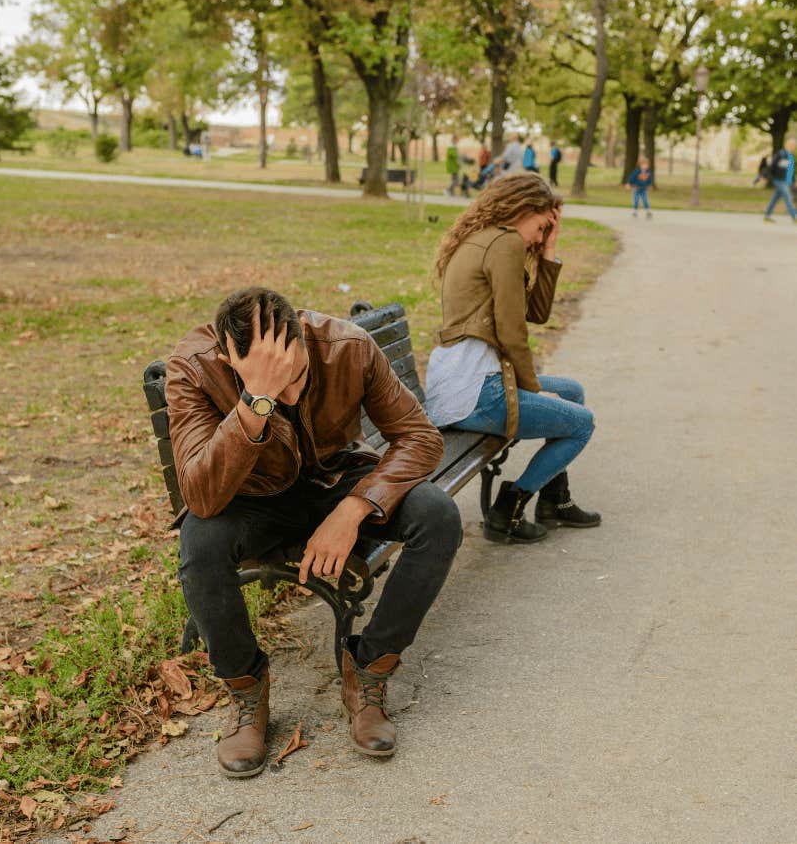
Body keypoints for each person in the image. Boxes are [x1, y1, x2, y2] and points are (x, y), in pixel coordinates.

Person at [166, 288, 461, 777]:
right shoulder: (195, 366)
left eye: (296, 375)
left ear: (302, 336)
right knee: (200, 542)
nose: (290, 396)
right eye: (270, 386)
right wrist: (254, 402)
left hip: (336, 479)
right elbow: (200, 496)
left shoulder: (346, 346)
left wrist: (353, 509)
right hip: (252, 495)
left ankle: (367, 673)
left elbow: (420, 438)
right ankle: (247, 696)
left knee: (438, 513)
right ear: (227, 359)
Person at [425, 175, 600, 545]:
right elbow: (511, 332)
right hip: (474, 390)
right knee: (582, 424)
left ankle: (555, 500)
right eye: (540, 227)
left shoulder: (488, 237)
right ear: (522, 209)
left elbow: (534, 314)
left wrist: (549, 250)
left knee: (572, 391)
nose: (539, 237)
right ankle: (511, 506)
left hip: (465, 380)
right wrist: (531, 389)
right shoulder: (504, 244)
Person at [762, 138, 797, 223]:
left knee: (775, 198)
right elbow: (772, 165)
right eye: (793, 145)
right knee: (788, 197)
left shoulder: (791, 157)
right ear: (788, 145)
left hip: (787, 181)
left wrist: (794, 181)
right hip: (779, 180)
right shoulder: (780, 154)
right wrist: (765, 176)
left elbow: (791, 170)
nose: (794, 147)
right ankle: (794, 216)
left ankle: (767, 216)